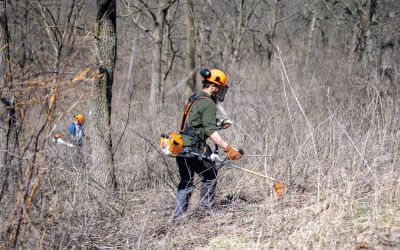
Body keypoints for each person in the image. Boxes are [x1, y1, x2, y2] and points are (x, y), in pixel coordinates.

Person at [173, 68, 242, 221]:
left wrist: (218, 123)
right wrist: (228, 148)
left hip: (181, 146)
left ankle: (178, 218)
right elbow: (210, 131)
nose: (220, 92)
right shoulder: (208, 103)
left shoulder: (194, 98)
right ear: (214, 86)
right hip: (195, 148)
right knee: (210, 176)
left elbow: (196, 123)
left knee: (186, 181)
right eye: (220, 88)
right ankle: (206, 210)